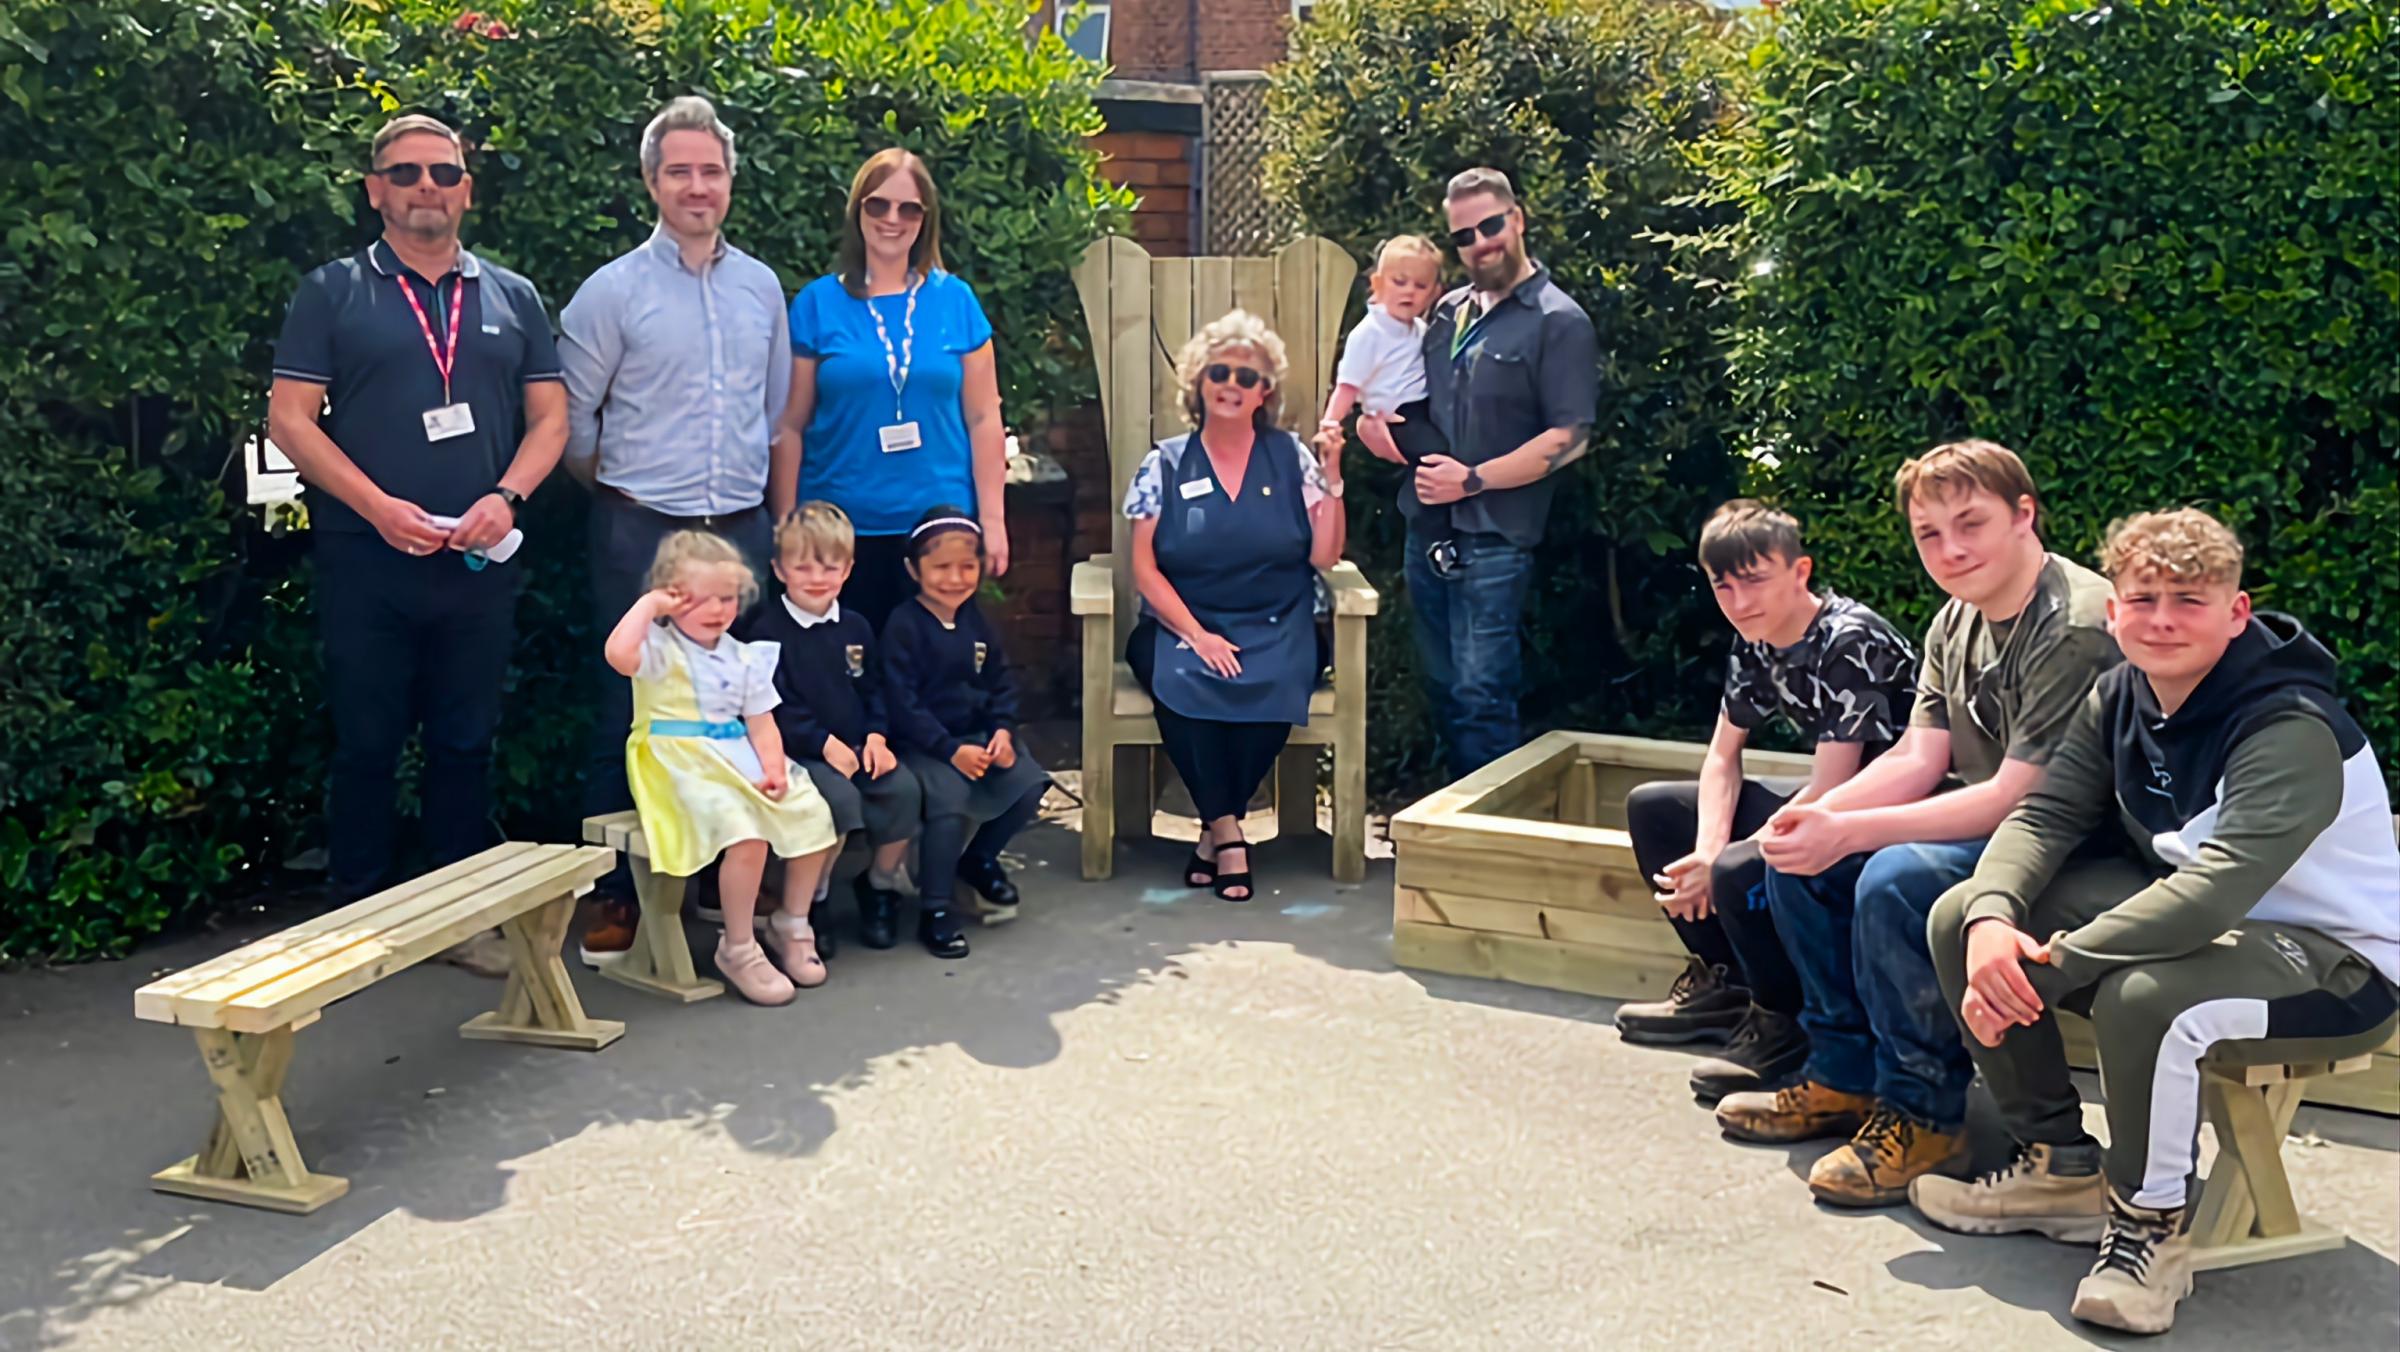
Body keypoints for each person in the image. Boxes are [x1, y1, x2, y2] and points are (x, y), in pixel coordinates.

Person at [1909, 508, 2398, 1335]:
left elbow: (2215, 890)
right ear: (2114, 611)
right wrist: (1994, 920)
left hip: (2336, 963)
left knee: (2146, 995)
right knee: (1962, 913)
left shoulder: (2288, 725)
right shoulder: (2120, 694)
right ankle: (2059, 1167)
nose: (2162, 620)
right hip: (2218, 930)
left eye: (2188, 600)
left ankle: (2149, 1231)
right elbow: (2045, 818)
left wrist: (2045, 967)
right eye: (2144, 599)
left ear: (2235, 614)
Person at [1715, 440, 2121, 1208]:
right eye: (1929, 534)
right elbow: (1917, 755)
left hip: (2079, 840)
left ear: (2025, 515)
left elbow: (2016, 797)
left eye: (1970, 523)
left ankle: (1926, 1112)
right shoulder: (1955, 617)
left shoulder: (2074, 625)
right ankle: (1844, 1076)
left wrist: (1854, 832)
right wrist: (1817, 815)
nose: (1950, 548)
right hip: (2000, 818)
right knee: (1801, 858)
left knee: (1897, 879)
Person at [266, 113, 566, 976]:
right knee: (367, 739)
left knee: (465, 743)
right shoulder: (332, 290)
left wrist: (508, 499)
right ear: (374, 191)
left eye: (442, 172)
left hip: (477, 559)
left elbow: (550, 418)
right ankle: (357, 922)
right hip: (369, 558)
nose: (425, 188)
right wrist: (377, 505)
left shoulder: (514, 296)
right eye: (404, 174)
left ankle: (457, 917)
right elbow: (290, 418)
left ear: (468, 188)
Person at [559, 95, 794, 963]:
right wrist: (630, 496)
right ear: (652, 181)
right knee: (629, 708)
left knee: (734, 707)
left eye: (712, 170)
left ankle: (725, 880)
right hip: (638, 530)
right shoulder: (610, 293)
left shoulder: (763, 288)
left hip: (738, 532)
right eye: (680, 171)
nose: (698, 186)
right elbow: (576, 428)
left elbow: (773, 414)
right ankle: (617, 893)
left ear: (731, 180)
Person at [1614, 501, 1918, 1105]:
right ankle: (1726, 985)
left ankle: (1782, 1020)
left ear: (1799, 571)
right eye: (1722, 585)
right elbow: (1722, 757)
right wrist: (1705, 849)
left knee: (1740, 865)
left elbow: (1835, 785)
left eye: (1755, 580)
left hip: (1889, 814)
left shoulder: (1848, 641)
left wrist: (1729, 856)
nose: (1739, 600)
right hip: (1835, 800)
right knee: (1655, 809)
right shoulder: (1753, 641)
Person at [1129, 311, 1348, 902]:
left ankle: (1214, 832)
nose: (1231, 384)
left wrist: (1332, 476)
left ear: (1265, 392)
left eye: (1246, 377)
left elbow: (1325, 556)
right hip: (1186, 620)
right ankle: (1229, 833)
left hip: (1278, 620)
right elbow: (1144, 567)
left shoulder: (1291, 456)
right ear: (1198, 383)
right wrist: (1196, 635)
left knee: (1275, 677)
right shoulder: (1166, 462)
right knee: (1176, 676)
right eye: (1219, 372)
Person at [1402, 167, 1597, 776]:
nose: (1480, 243)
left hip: (1496, 537)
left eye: (1490, 225)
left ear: (1517, 219)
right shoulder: (1445, 312)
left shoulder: (1558, 320)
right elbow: (1411, 400)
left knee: (1481, 696)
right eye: (1464, 235)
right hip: (1429, 532)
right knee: (1438, 687)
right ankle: (1447, 828)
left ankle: (1482, 839)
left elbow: (1570, 437)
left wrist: (1474, 479)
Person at [774, 149, 1009, 625]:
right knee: (845, 685)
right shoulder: (817, 304)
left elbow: (984, 418)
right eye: (877, 205)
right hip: (836, 536)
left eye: (909, 208)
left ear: (926, 219)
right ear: (857, 211)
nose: (892, 219)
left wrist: (994, 521)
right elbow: (790, 425)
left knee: (934, 682)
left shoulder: (956, 301)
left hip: (939, 534)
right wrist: (785, 524)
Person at [605, 531, 840, 1007]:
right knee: (745, 833)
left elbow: (761, 723)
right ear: (672, 597)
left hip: (734, 757)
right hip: (675, 763)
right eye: (700, 599)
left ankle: (792, 923)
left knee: (813, 811)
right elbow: (617, 655)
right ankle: (738, 946)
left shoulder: (742, 654)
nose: (717, 609)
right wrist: (650, 605)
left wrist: (774, 768)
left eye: (728, 598)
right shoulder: (656, 645)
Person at [744, 501, 925, 951]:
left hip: (856, 747)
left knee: (904, 790)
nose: (817, 577)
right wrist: (823, 744)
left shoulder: (857, 627)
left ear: (847, 569)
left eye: (829, 566)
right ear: (779, 569)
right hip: (796, 753)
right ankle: (813, 903)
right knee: (836, 804)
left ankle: (879, 886)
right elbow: (772, 706)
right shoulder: (765, 631)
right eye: (802, 566)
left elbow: (875, 690)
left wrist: (877, 737)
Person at [880, 509, 1051, 958]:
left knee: (1028, 785)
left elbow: (1001, 683)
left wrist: (1002, 730)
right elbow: (901, 704)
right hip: (924, 746)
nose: (954, 579)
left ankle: (977, 860)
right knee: (948, 800)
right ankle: (935, 908)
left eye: (967, 567)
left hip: (975, 737)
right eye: (940, 567)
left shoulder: (978, 622)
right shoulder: (903, 626)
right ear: (913, 569)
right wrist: (949, 750)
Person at [1314, 235, 1450, 576]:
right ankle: (1439, 543)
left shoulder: (1418, 329)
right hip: (1397, 417)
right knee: (1440, 460)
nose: (1408, 292)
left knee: (1439, 461)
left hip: (1421, 410)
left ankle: (1426, 516)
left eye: (1420, 286)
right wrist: (1332, 423)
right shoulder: (1371, 333)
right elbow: (1347, 385)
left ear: (1434, 293)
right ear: (1377, 284)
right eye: (1399, 282)